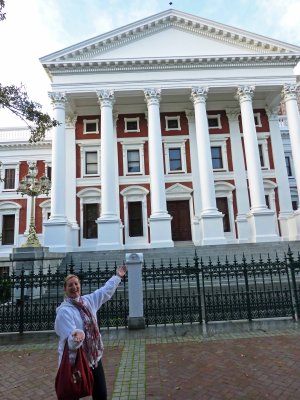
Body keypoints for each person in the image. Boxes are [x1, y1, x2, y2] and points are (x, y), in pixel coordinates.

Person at [55, 265, 127, 400]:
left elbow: (104, 292)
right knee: (73, 393)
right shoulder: (64, 311)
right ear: (65, 289)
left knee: (101, 394)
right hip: (75, 361)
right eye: (70, 285)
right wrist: (75, 338)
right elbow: (67, 338)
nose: (74, 287)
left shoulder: (87, 301)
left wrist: (117, 276)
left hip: (94, 357)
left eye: (76, 284)